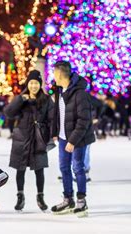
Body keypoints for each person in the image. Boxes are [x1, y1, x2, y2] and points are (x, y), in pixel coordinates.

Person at [51, 61, 95, 218]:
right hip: (63, 137)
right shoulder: (59, 90)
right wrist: (55, 132)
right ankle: (68, 199)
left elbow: (84, 120)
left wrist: (72, 140)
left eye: (54, 73)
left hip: (78, 138)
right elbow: (58, 114)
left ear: (60, 74)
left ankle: (81, 201)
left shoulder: (80, 93)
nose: (53, 76)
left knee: (78, 168)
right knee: (64, 168)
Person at [4, 70, 53, 212]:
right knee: (20, 169)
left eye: (36, 83)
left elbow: (52, 118)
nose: (33, 86)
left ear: (40, 84)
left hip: (38, 139)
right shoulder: (21, 99)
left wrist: (48, 134)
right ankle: (20, 197)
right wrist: (20, 99)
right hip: (22, 139)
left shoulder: (46, 100)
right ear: (28, 84)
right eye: (31, 83)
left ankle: (40, 197)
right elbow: (8, 113)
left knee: (40, 169)